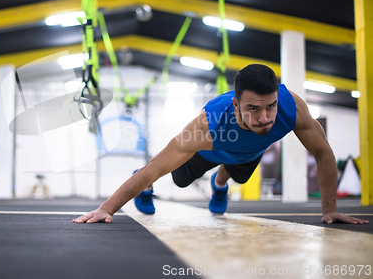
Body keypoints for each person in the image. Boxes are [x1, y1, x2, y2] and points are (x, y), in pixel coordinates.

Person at [73, 64, 368, 225]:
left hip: (246, 154)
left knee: (236, 170)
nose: (265, 118)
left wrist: (329, 210)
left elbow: (323, 153)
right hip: (209, 149)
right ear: (236, 104)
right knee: (176, 179)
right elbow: (154, 168)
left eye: (270, 107)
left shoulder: (292, 107)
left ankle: (220, 182)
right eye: (253, 108)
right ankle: (147, 192)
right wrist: (106, 208)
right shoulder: (208, 125)